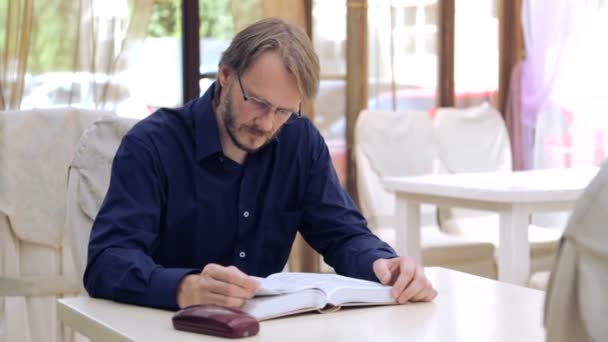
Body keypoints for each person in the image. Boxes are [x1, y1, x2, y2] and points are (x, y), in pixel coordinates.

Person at [84, 17, 437, 311]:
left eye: (283, 110)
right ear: (224, 75)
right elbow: (107, 261)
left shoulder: (299, 142)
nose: (267, 124)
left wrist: (382, 264)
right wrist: (184, 288)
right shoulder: (152, 145)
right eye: (258, 102)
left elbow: (343, 234)